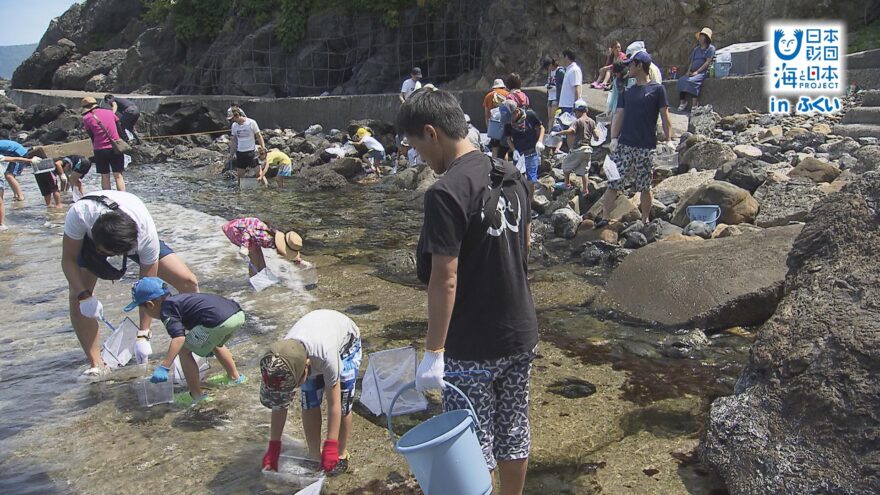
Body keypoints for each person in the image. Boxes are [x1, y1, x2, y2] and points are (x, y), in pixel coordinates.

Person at [398, 88, 538, 495]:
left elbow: (445, 277)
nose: (421, 157)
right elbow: (524, 246)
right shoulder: (510, 173)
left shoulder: (445, 192)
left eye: (418, 147)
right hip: (520, 332)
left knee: (472, 441)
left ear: (431, 132)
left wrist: (434, 353)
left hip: (472, 344)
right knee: (513, 428)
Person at [62, 190, 200, 379]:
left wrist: (144, 333)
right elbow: (68, 260)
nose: (111, 259)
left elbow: (148, 288)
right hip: (91, 237)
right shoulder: (79, 214)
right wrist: (84, 295)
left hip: (129, 232)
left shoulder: (145, 237)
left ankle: (198, 344)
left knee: (188, 281)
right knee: (77, 293)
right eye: (107, 254)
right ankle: (97, 363)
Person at [260, 309, 362, 475]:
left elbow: (334, 404)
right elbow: (279, 405)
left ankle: (341, 453)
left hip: (346, 345)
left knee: (344, 403)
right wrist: (274, 445)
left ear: (306, 368)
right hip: (310, 346)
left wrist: (331, 443)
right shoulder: (281, 361)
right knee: (309, 401)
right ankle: (314, 454)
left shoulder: (326, 357)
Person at [127, 277, 246, 406]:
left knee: (184, 351)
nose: (144, 312)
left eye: (142, 309)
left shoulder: (166, 311)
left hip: (217, 322)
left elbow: (179, 338)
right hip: (236, 314)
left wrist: (164, 367)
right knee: (214, 342)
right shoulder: (180, 300)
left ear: (150, 305)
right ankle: (235, 378)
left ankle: (196, 396)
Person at [602, 51, 673, 225]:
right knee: (614, 182)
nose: (628, 67)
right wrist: (613, 138)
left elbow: (665, 116)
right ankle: (604, 217)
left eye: (631, 64)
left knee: (645, 186)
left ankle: (645, 219)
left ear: (639, 65)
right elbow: (619, 114)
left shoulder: (657, 90)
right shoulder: (628, 91)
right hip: (625, 144)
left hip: (646, 146)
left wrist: (669, 140)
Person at [221, 217, 303, 277]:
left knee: (260, 258)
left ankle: (263, 277)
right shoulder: (265, 238)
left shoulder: (277, 236)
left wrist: (296, 259)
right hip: (237, 230)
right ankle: (253, 283)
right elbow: (247, 232)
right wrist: (245, 246)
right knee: (255, 258)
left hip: (250, 232)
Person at [81, 96, 126, 192]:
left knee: (105, 176)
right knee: (118, 175)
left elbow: (91, 135)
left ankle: (108, 198)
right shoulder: (109, 112)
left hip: (100, 149)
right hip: (115, 148)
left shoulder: (86, 118)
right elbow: (119, 128)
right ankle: (123, 198)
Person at [555, 99, 598, 191]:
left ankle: (567, 184)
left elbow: (571, 131)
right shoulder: (592, 121)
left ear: (578, 111)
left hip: (578, 149)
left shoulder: (577, 121)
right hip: (587, 149)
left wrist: (559, 133)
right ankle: (585, 190)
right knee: (584, 171)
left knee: (566, 166)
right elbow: (596, 136)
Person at [502, 101, 544, 192]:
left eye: (511, 117)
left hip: (532, 151)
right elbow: (509, 139)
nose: (510, 120)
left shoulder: (530, 115)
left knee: (531, 180)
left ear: (517, 111)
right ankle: (521, 199)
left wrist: (540, 141)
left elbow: (541, 128)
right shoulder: (508, 123)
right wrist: (514, 150)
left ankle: (529, 201)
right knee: (518, 178)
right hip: (519, 154)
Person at [677, 27, 716, 112]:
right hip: (693, 71)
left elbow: (707, 62)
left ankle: (695, 104)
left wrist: (697, 72)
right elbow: (691, 61)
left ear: (706, 38)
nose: (700, 38)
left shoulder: (711, 48)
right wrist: (688, 71)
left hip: (703, 72)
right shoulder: (696, 49)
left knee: (692, 81)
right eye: (700, 36)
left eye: (703, 36)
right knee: (682, 80)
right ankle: (683, 102)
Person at [230, 110, 265, 188]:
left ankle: (266, 188)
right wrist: (231, 153)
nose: (231, 121)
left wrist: (263, 147)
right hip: (240, 153)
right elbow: (234, 140)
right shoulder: (234, 126)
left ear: (237, 116)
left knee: (259, 174)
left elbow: (258, 136)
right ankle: (240, 193)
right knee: (240, 176)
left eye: (232, 119)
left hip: (251, 152)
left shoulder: (251, 123)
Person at [483, 79, 510, 158]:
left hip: (494, 126)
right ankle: (506, 168)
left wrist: (489, 129)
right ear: (503, 86)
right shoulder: (508, 95)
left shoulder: (488, 96)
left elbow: (487, 115)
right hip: (505, 125)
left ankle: (495, 168)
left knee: (495, 148)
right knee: (504, 148)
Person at [558, 48, 583, 114]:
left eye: (563, 57)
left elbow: (577, 88)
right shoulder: (569, 69)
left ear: (566, 57)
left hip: (570, 106)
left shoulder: (574, 70)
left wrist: (576, 106)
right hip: (565, 105)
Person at [542, 58, 566, 125]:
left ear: (551, 65)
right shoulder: (550, 72)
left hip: (556, 97)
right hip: (550, 96)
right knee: (550, 118)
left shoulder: (560, 71)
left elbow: (564, 85)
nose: (548, 69)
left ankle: (552, 132)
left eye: (548, 67)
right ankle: (550, 133)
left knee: (553, 117)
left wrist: (555, 87)